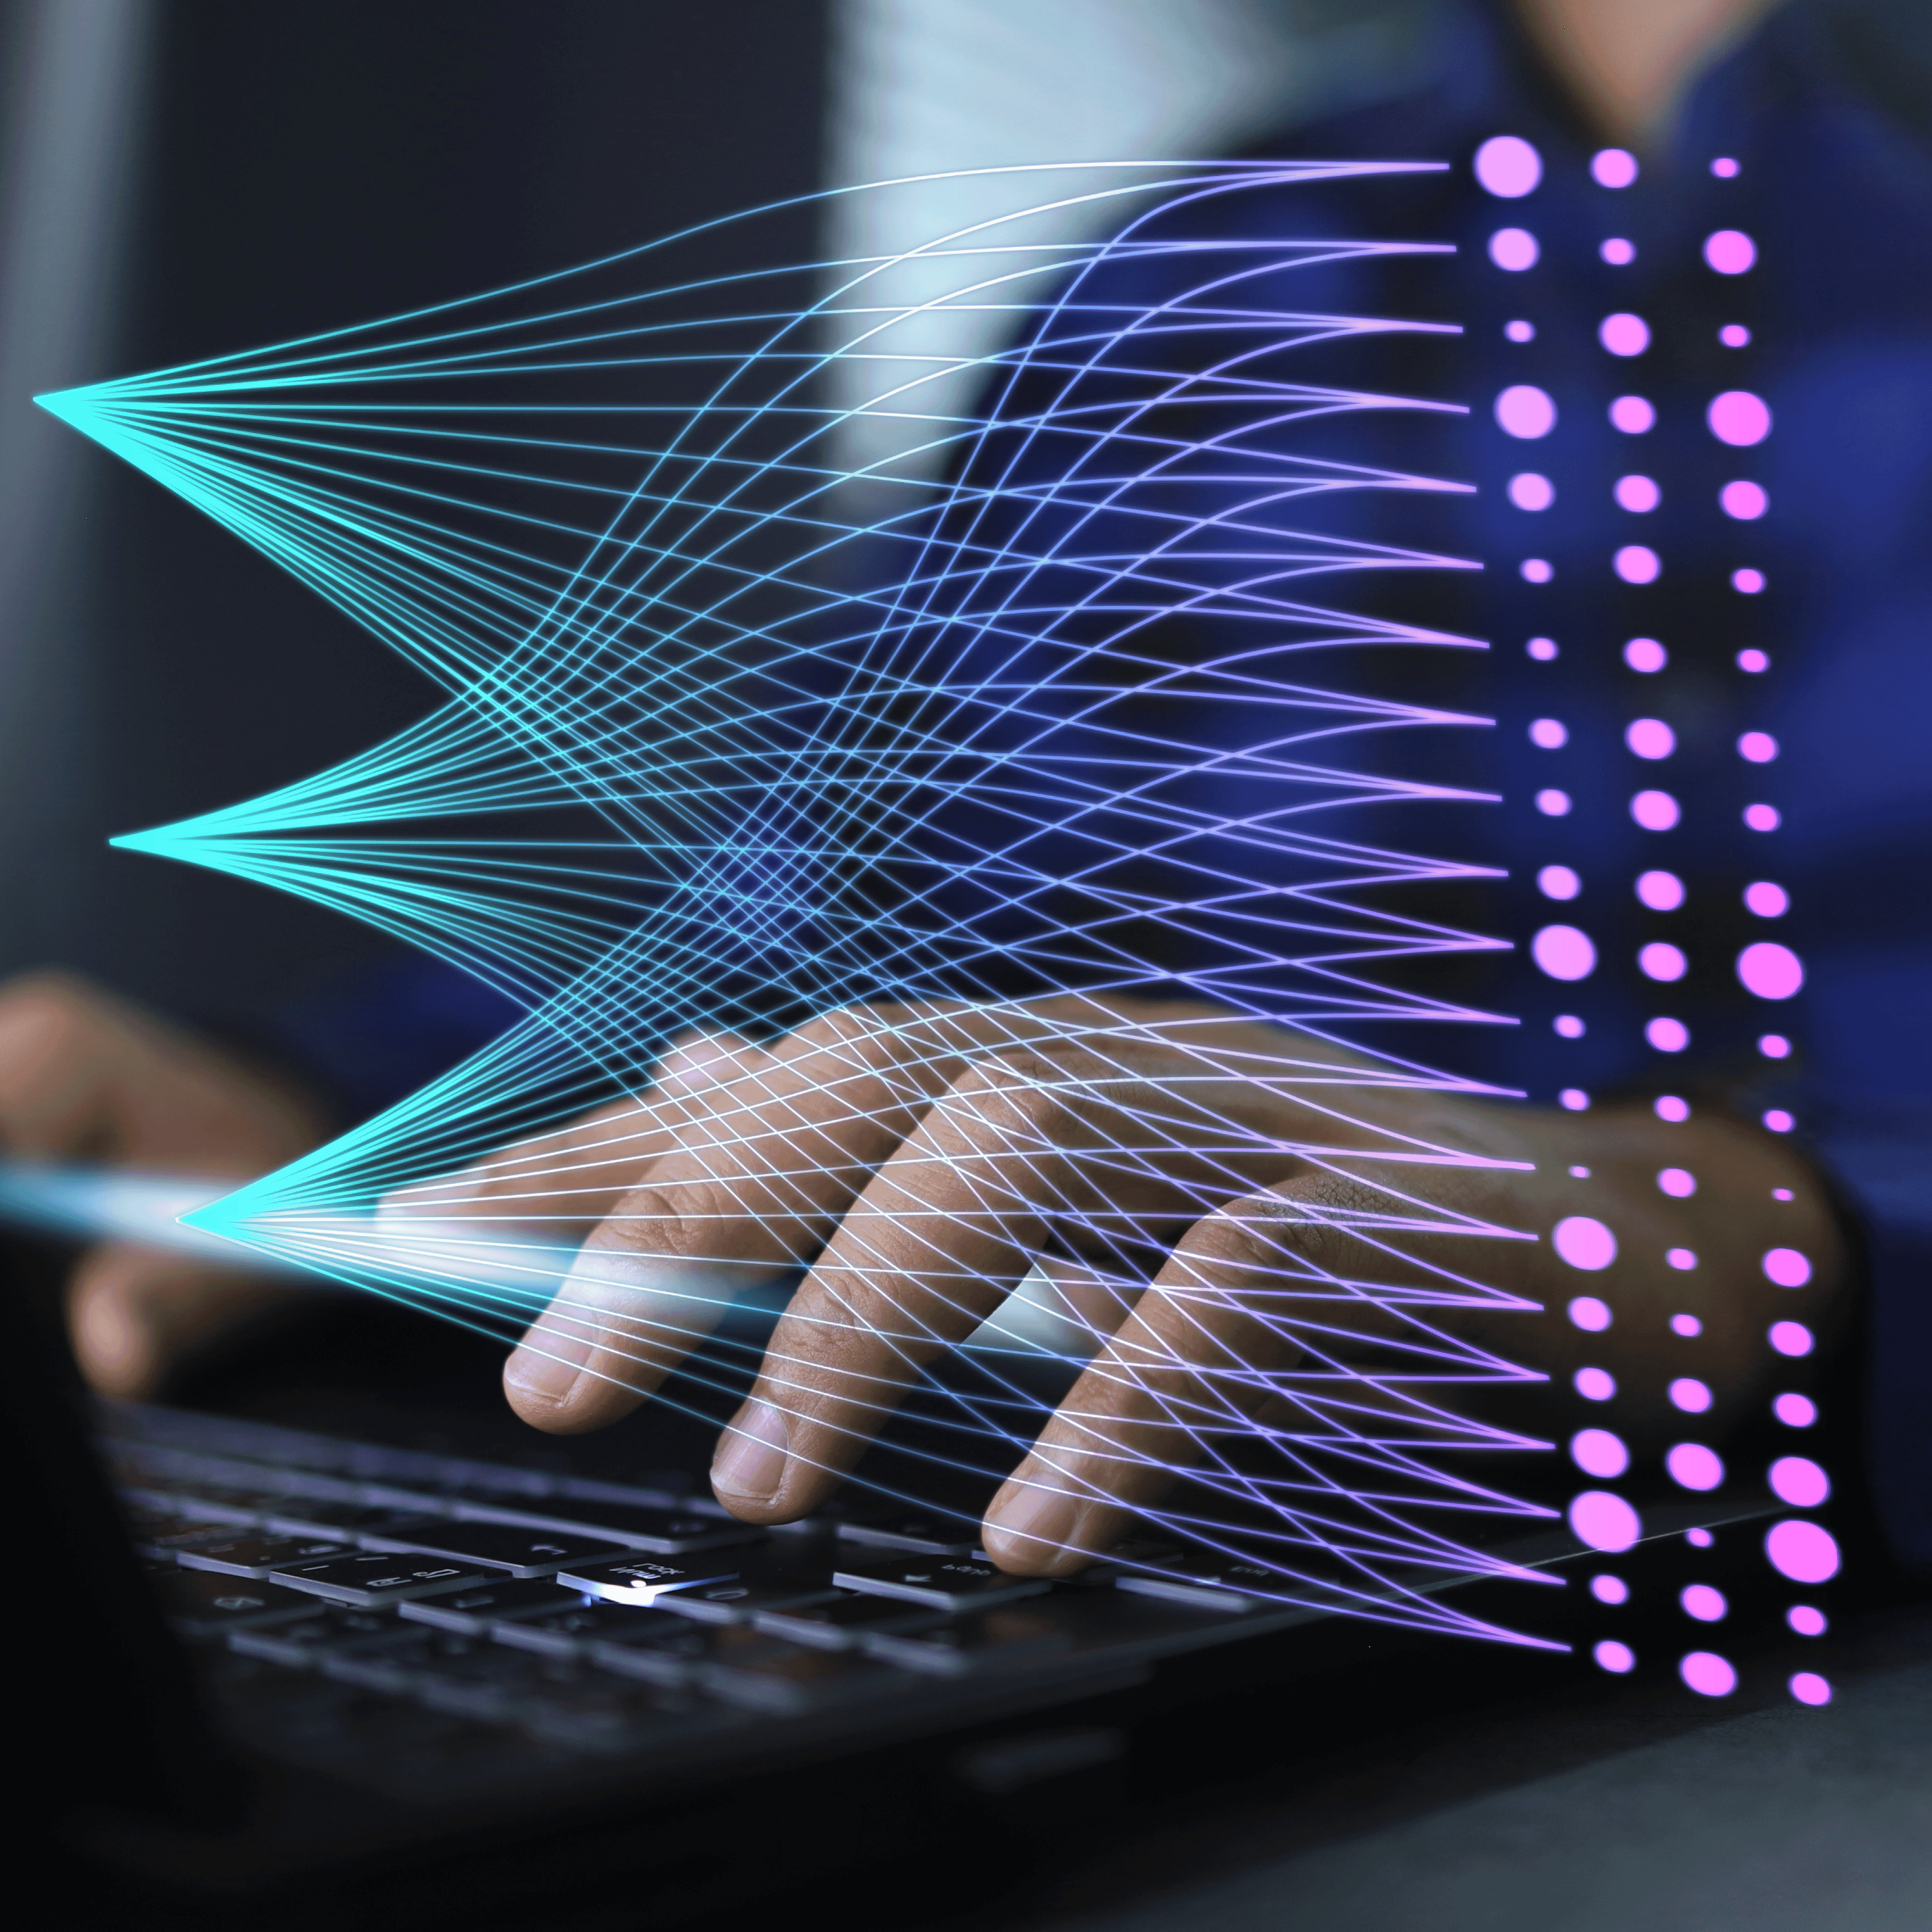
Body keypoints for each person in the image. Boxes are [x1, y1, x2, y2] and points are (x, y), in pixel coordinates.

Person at [12, 0, 1930, 1582]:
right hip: (1213, 1582)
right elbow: (815, 910)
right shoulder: (1196, 278)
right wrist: (305, 1101)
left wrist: (1798, 1255)